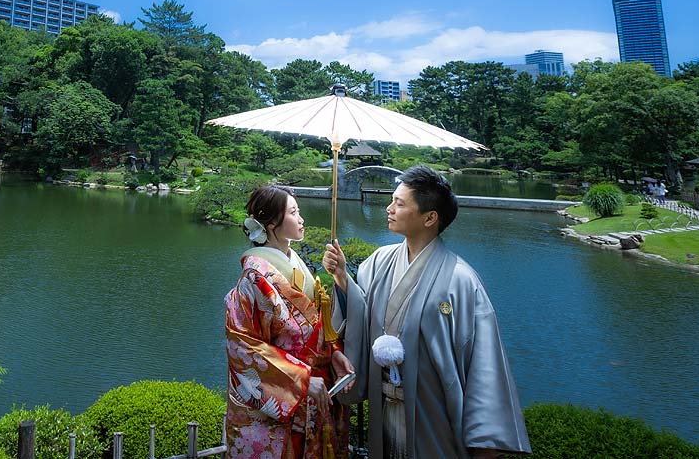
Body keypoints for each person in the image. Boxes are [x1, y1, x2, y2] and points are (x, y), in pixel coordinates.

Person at [323, 166, 530, 459]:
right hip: (384, 409)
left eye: (399, 203)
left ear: (430, 218)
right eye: (391, 201)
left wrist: (485, 443)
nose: (389, 209)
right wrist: (343, 279)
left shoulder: (461, 281)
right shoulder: (379, 261)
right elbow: (363, 314)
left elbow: (483, 363)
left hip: (434, 416)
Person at [224, 185, 363, 459]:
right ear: (271, 224)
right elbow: (242, 348)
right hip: (286, 405)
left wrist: (333, 352)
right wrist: (301, 380)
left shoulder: (296, 266)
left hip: (316, 390)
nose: (301, 219)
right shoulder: (254, 278)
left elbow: (316, 326)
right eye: (293, 212)